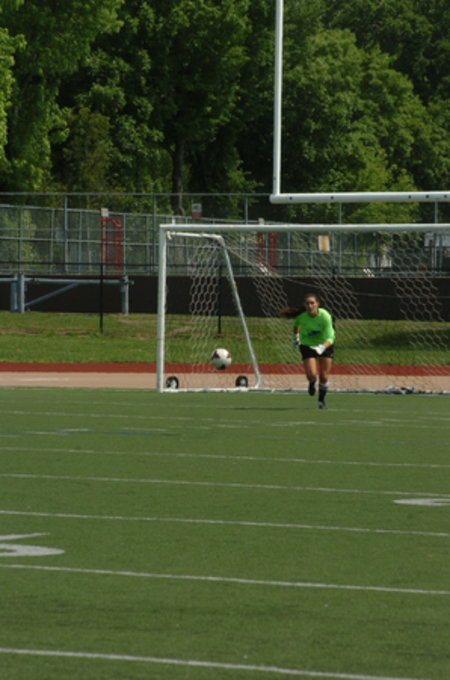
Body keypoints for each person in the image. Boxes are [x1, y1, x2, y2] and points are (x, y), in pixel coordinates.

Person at [281, 293, 335, 409]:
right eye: (307, 303)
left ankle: (321, 401)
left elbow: (330, 337)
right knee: (311, 375)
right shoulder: (301, 316)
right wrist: (295, 337)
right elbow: (295, 326)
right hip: (307, 345)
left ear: (318, 304)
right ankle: (312, 382)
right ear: (305, 305)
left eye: (312, 303)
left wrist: (321, 348)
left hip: (324, 344)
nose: (310, 306)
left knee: (324, 376)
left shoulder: (325, 316)